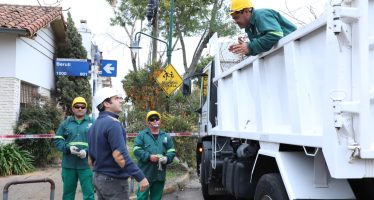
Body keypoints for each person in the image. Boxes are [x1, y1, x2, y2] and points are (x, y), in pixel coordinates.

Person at [87, 87, 149, 200]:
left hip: (98, 178)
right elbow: (120, 156)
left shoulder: (94, 125)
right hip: (113, 181)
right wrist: (140, 177)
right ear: (106, 103)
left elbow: (90, 158)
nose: (120, 101)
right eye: (116, 98)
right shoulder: (113, 124)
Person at [53, 96, 94, 200]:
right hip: (69, 165)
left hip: (87, 165)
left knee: (89, 194)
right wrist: (68, 148)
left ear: (86, 108)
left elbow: (99, 142)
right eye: (77, 106)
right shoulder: (66, 123)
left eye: (82, 106)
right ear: (72, 108)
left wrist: (87, 151)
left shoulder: (93, 123)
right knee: (68, 194)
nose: (80, 108)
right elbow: (57, 140)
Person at [133, 111, 176, 200]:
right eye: (152, 119)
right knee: (141, 197)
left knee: (156, 198)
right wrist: (149, 157)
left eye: (157, 119)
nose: (155, 121)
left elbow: (171, 150)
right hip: (145, 174)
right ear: (148, 122)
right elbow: (136, 150)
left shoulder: (166, 136)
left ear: (160, 121)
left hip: (159, 175)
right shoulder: (142, 135)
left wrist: (166, 158)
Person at [228, 0, 297, 56]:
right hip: (286, 52)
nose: (235, 22)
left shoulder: (261, 15)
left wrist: (249, 47)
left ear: (246, 11)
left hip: (297, 46)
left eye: (236, 17)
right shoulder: (250, 27)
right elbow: (261, 48)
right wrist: (244, 49)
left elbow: (276, 34)